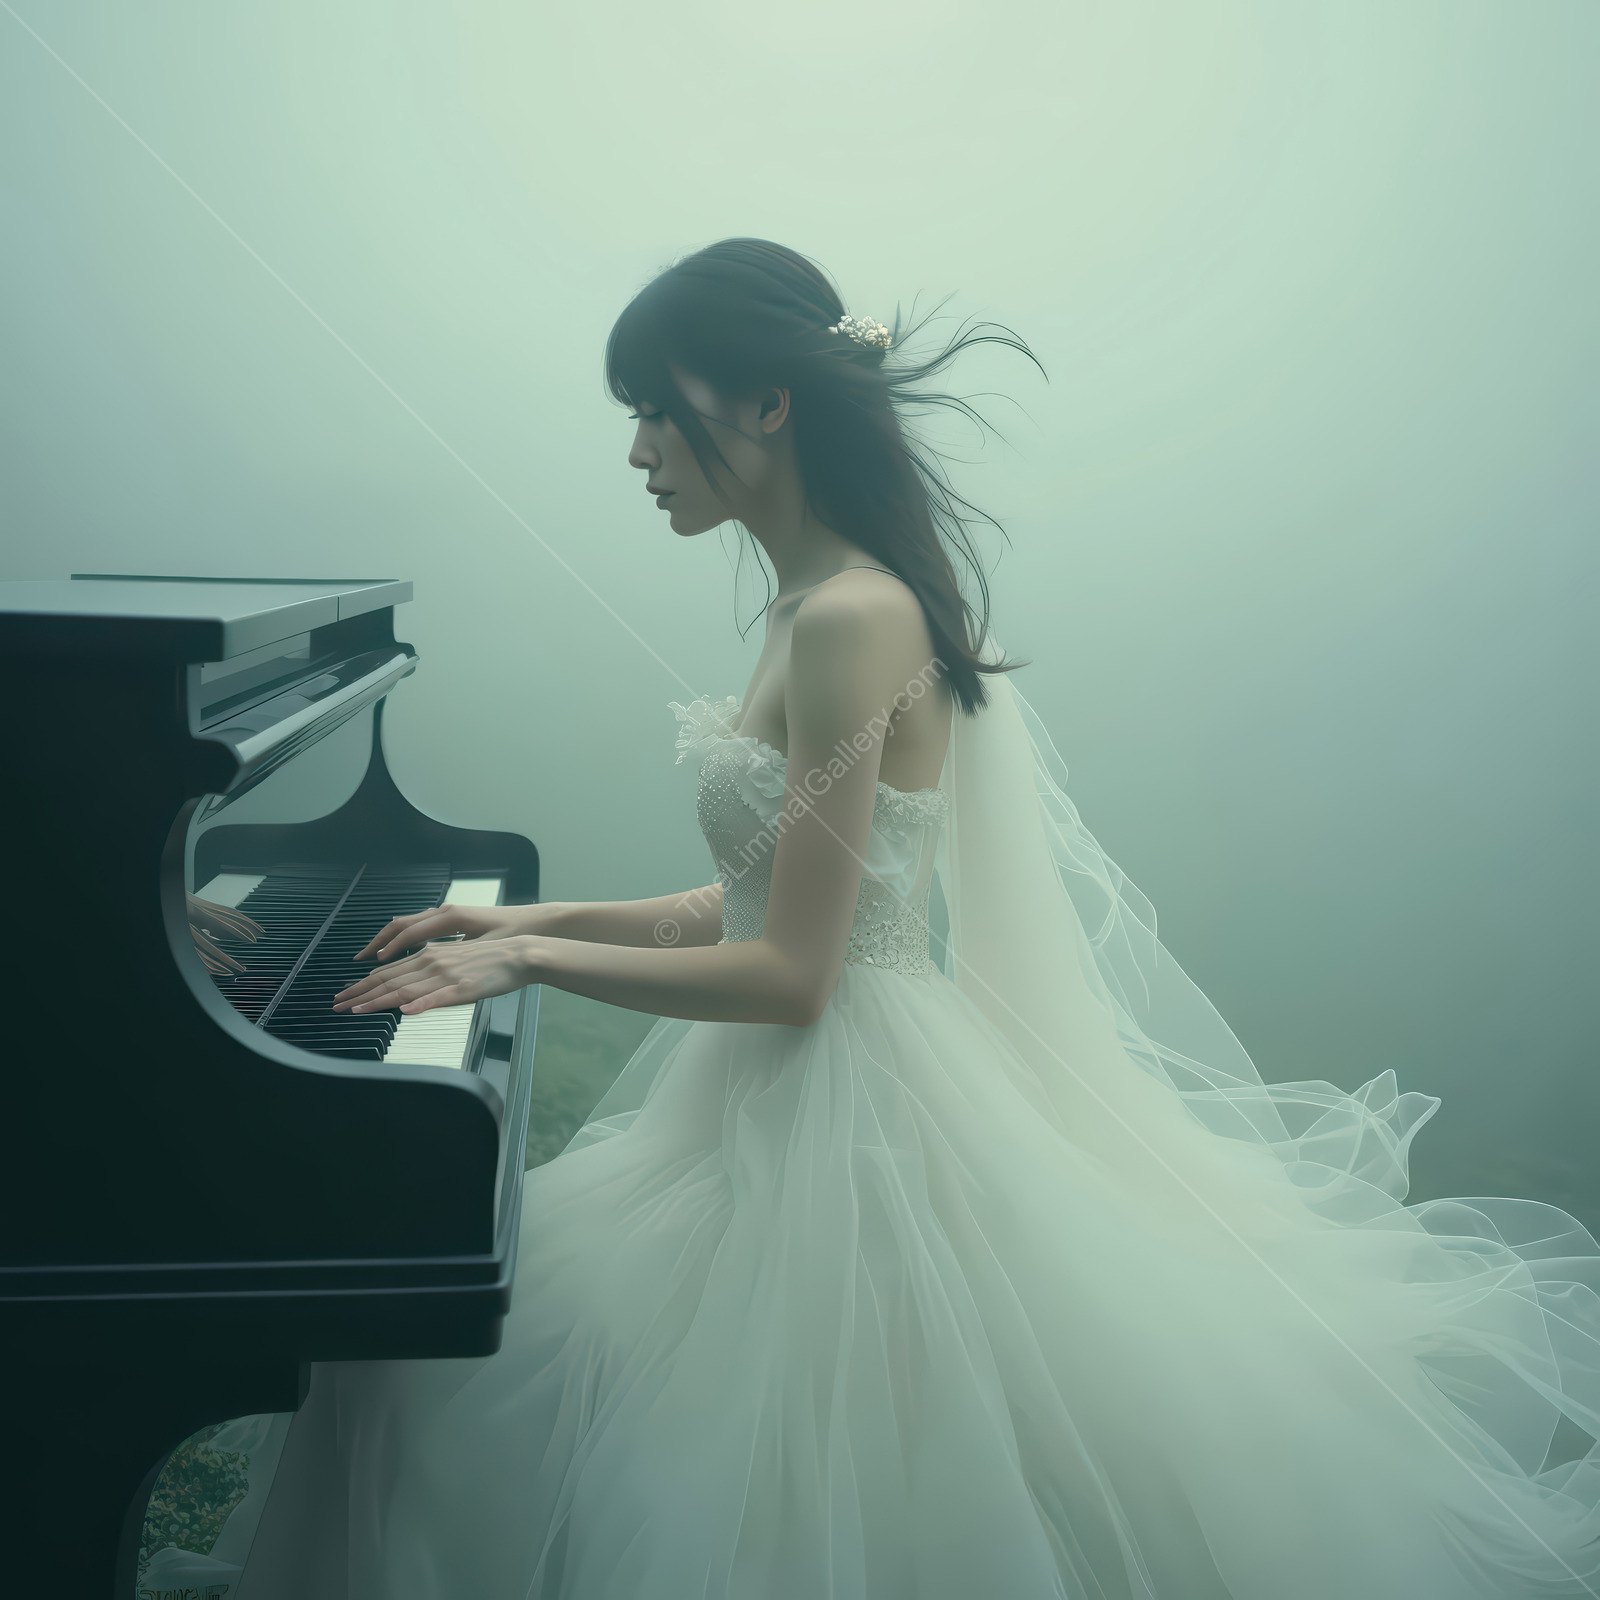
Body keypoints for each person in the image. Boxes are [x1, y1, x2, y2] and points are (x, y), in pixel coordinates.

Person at [235, 240, 1600, 1599]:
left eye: (658, 405)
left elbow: (795, 973)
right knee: (458, 1376)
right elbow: (756, 897)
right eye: (632, 414)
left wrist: (524, 957)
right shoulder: (801, 608)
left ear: (769, 404)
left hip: (844, 1122)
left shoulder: (849, 621)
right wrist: (514, 920)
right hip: (768, 1106)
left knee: (596, 1429)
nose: (639, 448)